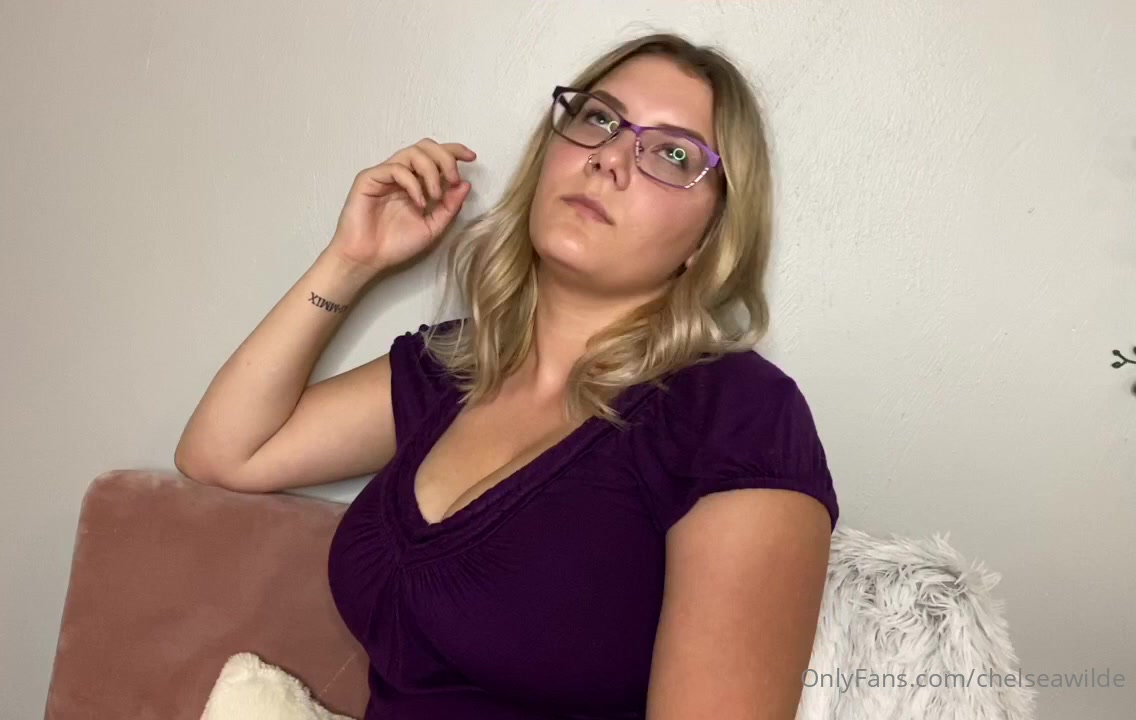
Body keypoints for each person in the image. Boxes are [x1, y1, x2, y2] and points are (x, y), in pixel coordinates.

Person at [176, 31, 839, 720]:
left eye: (674, 155)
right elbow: (224, 452)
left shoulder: (736, 415)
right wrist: (351, 260)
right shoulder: (453, 365)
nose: (611, 158)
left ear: (711, 235)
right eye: (599, 119)